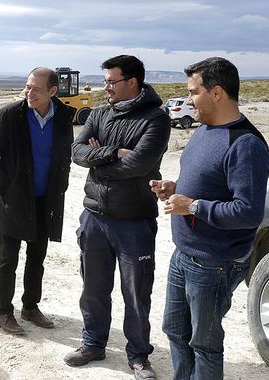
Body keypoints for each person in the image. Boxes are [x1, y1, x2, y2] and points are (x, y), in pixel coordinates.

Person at [151, 57, 269, 380]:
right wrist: (174, 188)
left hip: (214, 262)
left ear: (216, 93)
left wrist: (192, 206)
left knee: (204, 344)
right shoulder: (205, 129)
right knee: (175, 330)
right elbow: (208, 181)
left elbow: (248, 212)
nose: (188, 100)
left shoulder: (246, 145)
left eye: (193, 92)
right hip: (185, 253)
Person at [66, 55, 171, 380]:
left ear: (132, 83)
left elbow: (138, 165)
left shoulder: (156, 119)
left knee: (136, 294)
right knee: (93, 288)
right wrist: (111, 152)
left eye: (111, 82)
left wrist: (99, 161)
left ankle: (139, 356)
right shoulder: (98, 114)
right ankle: (93, 344)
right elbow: (77, 151)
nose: (105, 87)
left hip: (134, 221)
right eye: (106, 81)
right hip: (94, 217)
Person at [0, 67, 74, 335]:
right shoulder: (10, 115)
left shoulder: (65, 116)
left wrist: (61, 186)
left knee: (37, 258)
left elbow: (65, 154)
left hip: (46, 201)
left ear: (53, 91)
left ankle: (30, 307)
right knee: (8, 260)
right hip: (14, 201)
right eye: (28, 86)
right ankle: (4, 312)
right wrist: (4, 189)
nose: (29, 93)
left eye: (36, 89)